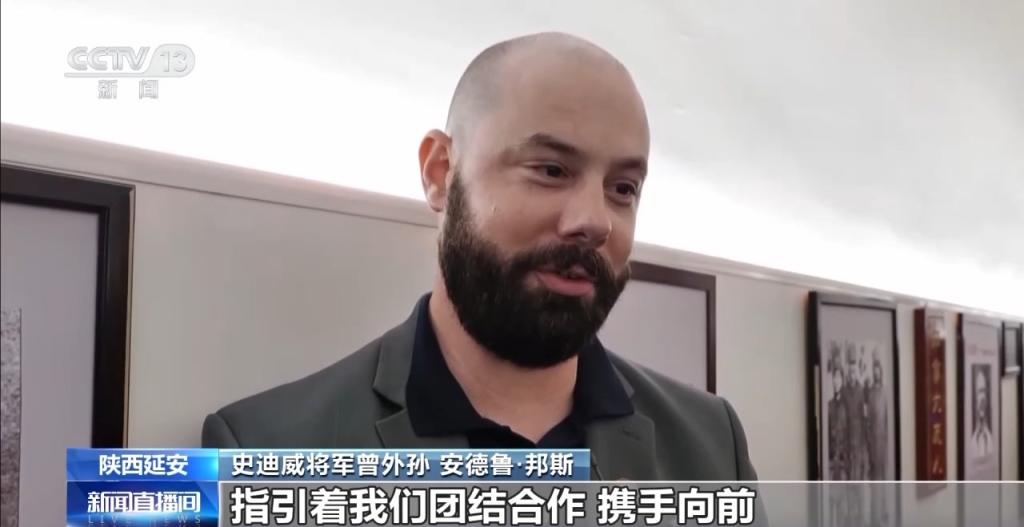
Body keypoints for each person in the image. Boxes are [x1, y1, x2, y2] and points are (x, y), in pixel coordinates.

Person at [201, 32, 759, 481]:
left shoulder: (711, 446)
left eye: (623, 188)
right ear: (441, 173)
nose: (594, 221)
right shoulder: (262, 454)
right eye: (551, 170)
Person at [970, 366, 993, 457]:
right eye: (979, 392)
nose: (983, 397)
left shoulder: (990, 437)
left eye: (984, 391)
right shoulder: (971, 441)